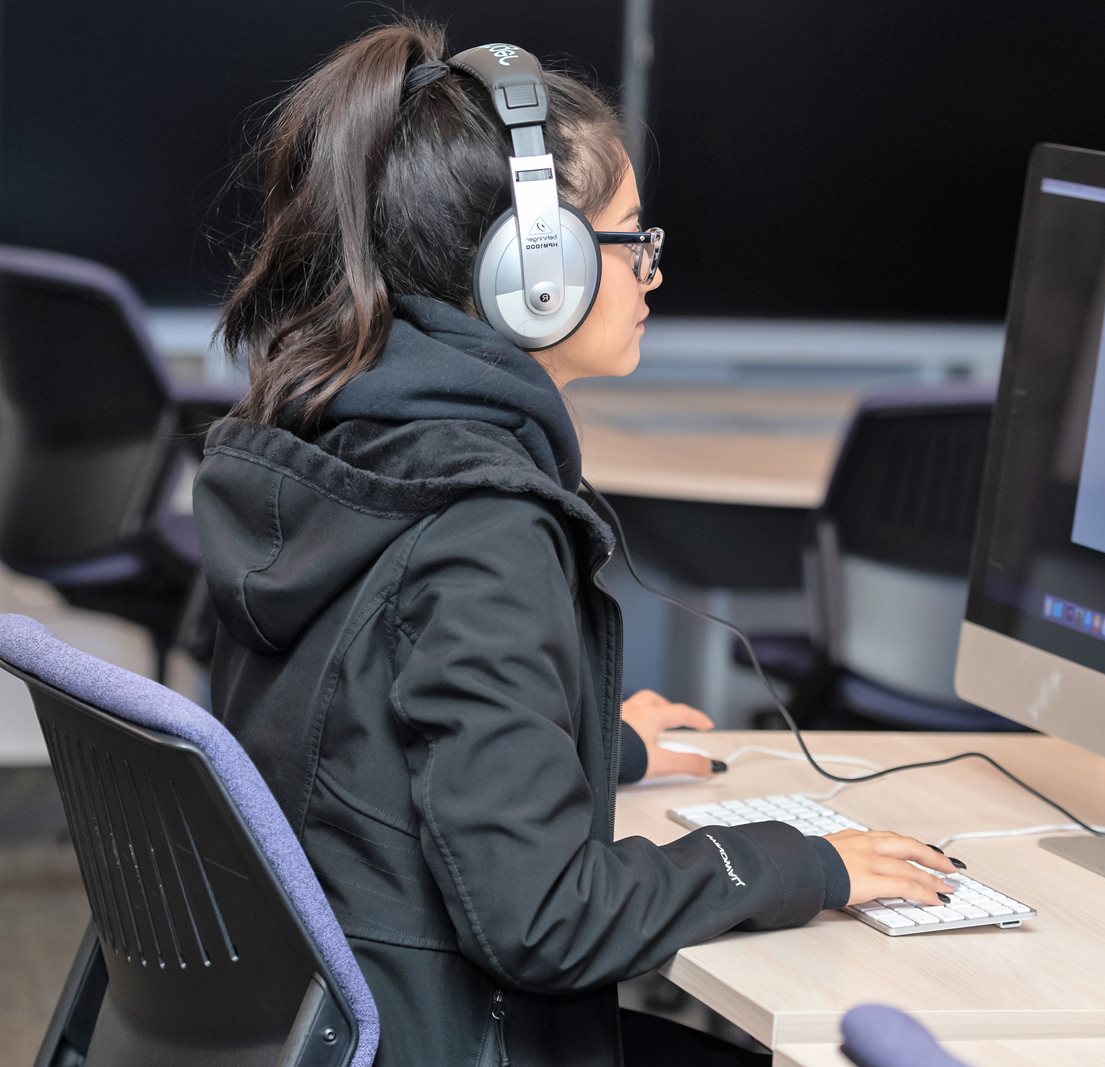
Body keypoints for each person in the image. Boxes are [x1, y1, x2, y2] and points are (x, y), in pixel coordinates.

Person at [193, 19, 959, 1067]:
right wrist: (795, 861)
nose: (650, 270)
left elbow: (358, 726)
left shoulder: (324, 441)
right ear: (534, 273)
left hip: (328, 1021)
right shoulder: (482, 525)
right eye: (630, 237)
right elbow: (543, 917)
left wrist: (587, 744)